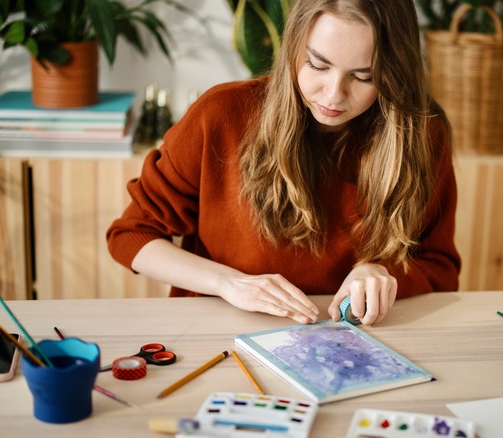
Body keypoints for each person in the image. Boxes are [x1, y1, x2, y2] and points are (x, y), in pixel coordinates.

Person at [106, 0, 460, 326]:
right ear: (292, 49)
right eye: (318, 65)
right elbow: (131, 235)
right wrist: (229, 283)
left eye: (364, 76)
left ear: (395, 70)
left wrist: (384, 273)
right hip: (218, 336)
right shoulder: (220, 116)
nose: (334, 94)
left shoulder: (423, 134)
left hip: (353, 343)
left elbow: (440, 266)